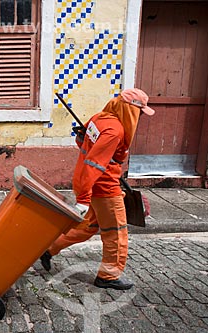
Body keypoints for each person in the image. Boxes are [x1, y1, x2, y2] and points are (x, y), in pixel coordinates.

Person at [40, 88, 156, 290]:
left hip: (93, 184)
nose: (140, 117)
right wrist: (83, 199)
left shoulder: (100, 118)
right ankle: (108, 276)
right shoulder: (114, 131)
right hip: (104, 189)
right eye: (139, 112)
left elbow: (81, 139)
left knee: (87, 228)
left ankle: (48, 249)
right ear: (130, 110)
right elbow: (92, 165)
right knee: (116, 233)